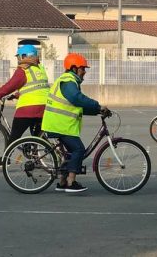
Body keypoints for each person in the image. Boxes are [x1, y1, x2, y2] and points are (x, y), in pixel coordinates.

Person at [41, 53, 109, 193]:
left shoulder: (69, 81)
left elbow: (77, 107)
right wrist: (97, 105)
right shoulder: (68, 81)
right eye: (82, 68)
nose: (84, 72)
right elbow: (77, 98)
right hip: (60, 125)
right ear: (73, 68)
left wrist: (97, 111)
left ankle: (62, 182)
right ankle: (71, 182)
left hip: (59, 124)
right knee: (78, 150)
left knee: (70, 153)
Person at [0, 44, 49, 166]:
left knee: (14, 135)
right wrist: (17, 95)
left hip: (28, 109)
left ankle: (5, 158)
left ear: (24, 56)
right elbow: (35, 88)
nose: (18, 60)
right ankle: (38, 158)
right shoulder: (40, 69)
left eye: (19, 57)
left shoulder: (23, 70)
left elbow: (8, 87)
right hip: (45, 107)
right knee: (37, 136)